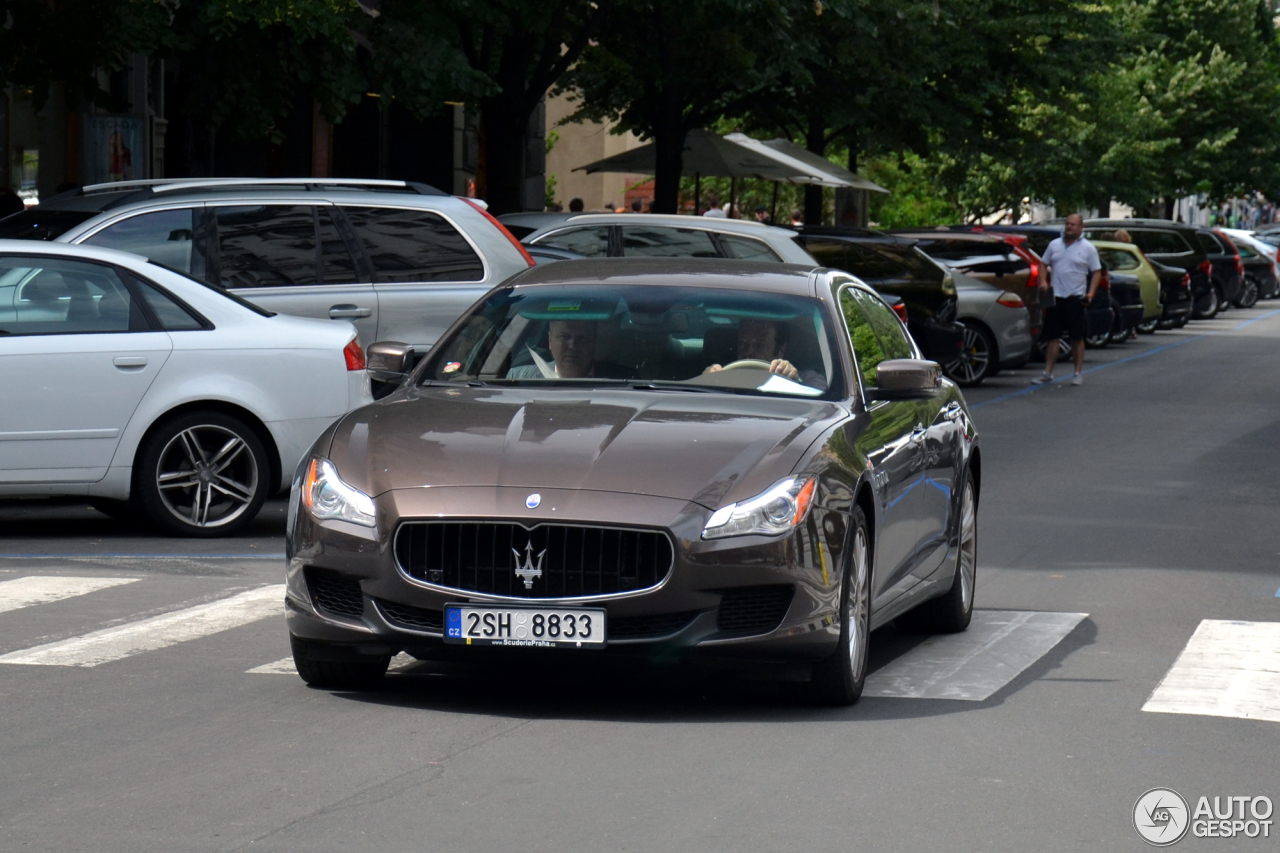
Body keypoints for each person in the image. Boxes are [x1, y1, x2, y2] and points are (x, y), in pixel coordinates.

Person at [1033, 213, 1101, 386]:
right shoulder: (1054, 245)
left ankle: (1077, 373)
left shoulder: (1087, 248)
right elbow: (1043, 264)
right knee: (1052, 336)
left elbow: (1097, 272)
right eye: (1067, 224)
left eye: (1073, 224)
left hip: (1075, 298)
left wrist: (1091, 293)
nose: (1069, 227)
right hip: (1056, 296)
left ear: (1081, 228)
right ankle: (1048, 372)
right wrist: (1042, 282)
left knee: (1077, 337)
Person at [704, 318, 826, 390]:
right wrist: (706, 382)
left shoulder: (806, 379)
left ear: (781, 351)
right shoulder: (721, 377)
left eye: (759, 345)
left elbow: (823, 399)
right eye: (742, 343)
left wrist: (794, 382)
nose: (748, 351)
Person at [507, 319, 634, 379]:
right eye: (564, 337)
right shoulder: (517, 378)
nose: (573, 345)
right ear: (550, 341)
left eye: (582, 338)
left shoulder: (624, 380)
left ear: (593, 342)